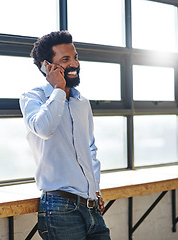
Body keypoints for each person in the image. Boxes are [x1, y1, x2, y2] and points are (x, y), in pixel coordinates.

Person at [19, 31, 111, 240]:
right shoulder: (32, 98)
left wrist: (95, 191)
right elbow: (43, 128)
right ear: (46, 66)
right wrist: (58, 89)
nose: (75, 64)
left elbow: (90, 149)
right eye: (65, 59)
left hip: (92, 206)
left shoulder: (82, 102)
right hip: (60, 208)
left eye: (75, 57)